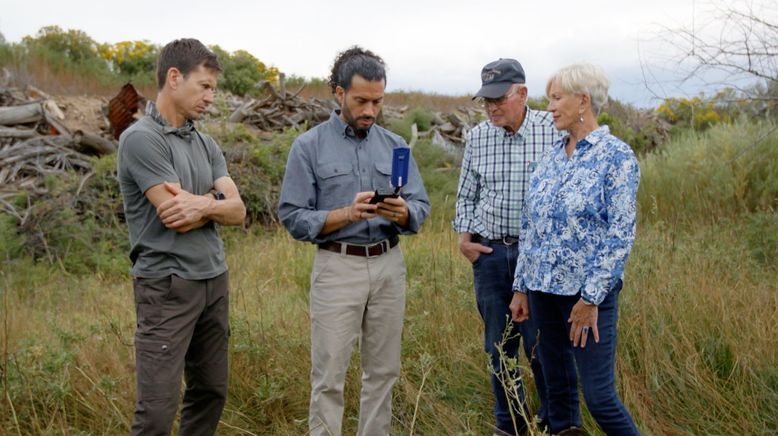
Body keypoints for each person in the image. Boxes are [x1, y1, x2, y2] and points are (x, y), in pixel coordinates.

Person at [278, 46, 430, 436]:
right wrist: (345, 214)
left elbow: (421, 205)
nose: (370, 110)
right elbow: (292, 216)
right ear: (338, 93)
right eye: (361, 100)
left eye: (377, 101)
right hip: (336, 266)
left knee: (383, 372)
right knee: (329, 375)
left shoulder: (395, 145)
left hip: (388, 266)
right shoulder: (308, 147)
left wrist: (404, 213)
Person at [117, 38, 246, 436]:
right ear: (174, 78)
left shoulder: (205, 143)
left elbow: (238, 211)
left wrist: (204, 204)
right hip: (167, 286)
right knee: (156, 411)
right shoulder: (141, 139)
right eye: (204, 86)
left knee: (210, 392)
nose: (211, 97)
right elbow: (178, 217)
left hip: (213, 280)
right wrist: (215, 201)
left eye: (214, 88)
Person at [510, 63, 641, 435]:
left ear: (583, 100)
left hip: (586, 299)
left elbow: (620, 233)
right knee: (558, 394)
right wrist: (521, 287)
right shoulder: (550, 158)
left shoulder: (616, 157)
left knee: (599, 397)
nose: (548, 107)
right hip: (542, 292)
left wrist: (590, 298)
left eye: (556, 98)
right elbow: (530, 226)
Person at [453, 58, 561, 435]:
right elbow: (467, 195)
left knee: (542, 347)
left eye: (499, 98)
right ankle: (510, 424)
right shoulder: (479, 137)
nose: (492, 107)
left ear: (522, 93)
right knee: (499, 349)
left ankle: (551, 423)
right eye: (486, 100)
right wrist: (465, 241)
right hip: (492, 254)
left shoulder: (554, 129)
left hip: (541, 259)